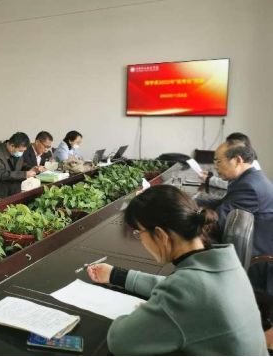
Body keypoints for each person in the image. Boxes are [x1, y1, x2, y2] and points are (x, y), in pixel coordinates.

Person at [87, 185, 267, 355]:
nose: (141, 240)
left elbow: (119, 341)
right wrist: (116, 275)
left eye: (139, 233)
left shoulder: (185, 291)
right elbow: (182, 289)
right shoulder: (224, 261)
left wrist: (142, 314)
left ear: (160, 235)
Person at [197, 139, 273, 294]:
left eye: (218, 161)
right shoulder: (251, 178)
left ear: (237, 160)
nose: (215, 167)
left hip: (255, 261)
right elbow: (222, 203)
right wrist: (191, 201)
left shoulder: (249, 186)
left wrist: (189, 213)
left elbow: (217, 223)